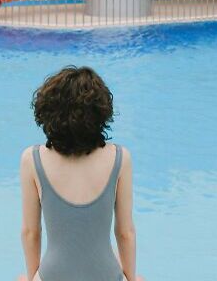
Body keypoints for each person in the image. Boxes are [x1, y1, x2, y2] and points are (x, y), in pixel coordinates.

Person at [18, 66, 143, 281]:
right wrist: (131, 278)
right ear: (100, 113)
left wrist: (31, 277)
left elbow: (31, 233)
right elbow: (125, 233)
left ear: (48, 113)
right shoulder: (120, 158)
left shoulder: (32, 159)